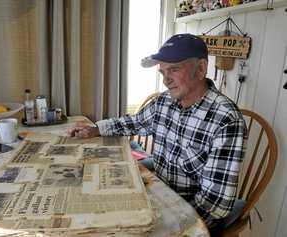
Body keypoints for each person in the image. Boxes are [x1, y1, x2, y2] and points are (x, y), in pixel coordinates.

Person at [67, 34, 247, 234]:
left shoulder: (226, 120)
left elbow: (215, 205)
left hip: (188, 213)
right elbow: (133, 123)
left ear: (201, 69)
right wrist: (96, 129)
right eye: (163, 72)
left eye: (174, 69)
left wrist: (165, 225)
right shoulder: (164, 102)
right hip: (159, 191)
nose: (166, 80)